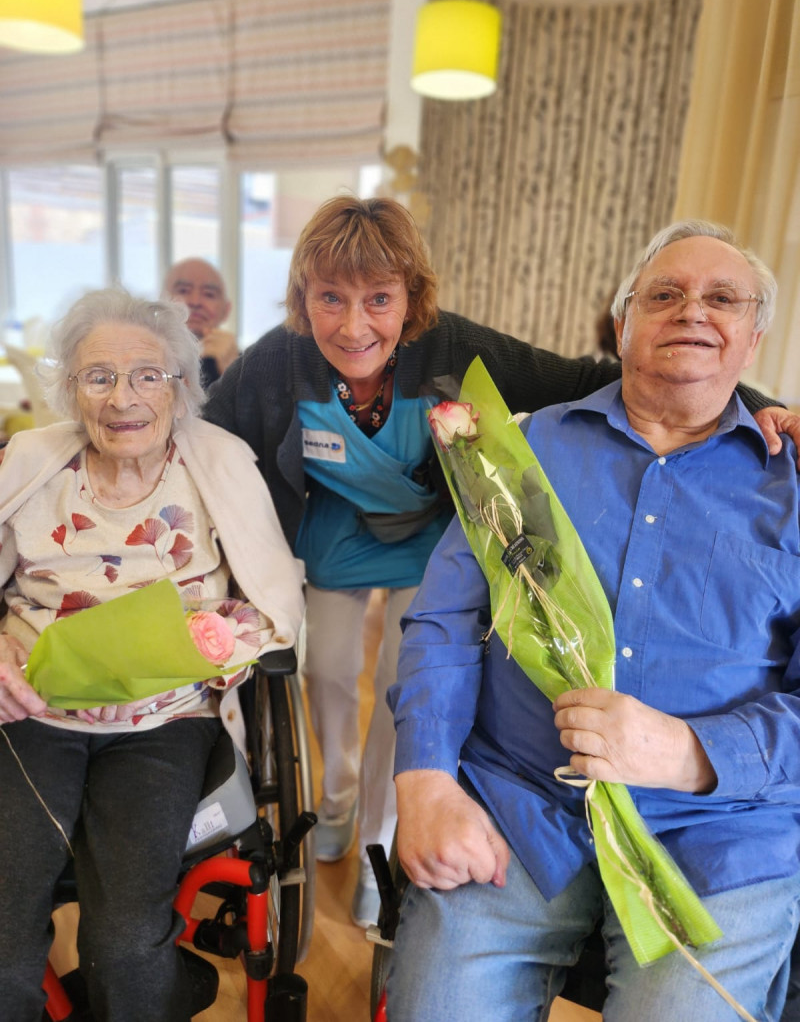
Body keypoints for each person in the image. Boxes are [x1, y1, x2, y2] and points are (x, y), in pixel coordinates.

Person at [202, 195, 792, 929]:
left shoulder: (452, 347)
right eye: (330, 298)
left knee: (398, 678)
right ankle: (337, 799)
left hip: (424, 540)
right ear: (303, 299)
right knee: (325, 673)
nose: (355, 326)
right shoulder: (276, 362)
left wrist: (766, 406)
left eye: (379, 298)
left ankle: (380, 834)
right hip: (334, 539)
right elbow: (203, 432)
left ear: (410, 299)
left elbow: (594, 377)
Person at [387, 220, 800, 1021]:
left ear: (753, 338)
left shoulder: (796, 489)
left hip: (721, 838)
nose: (691, 312)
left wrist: (690, 752)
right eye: (665, 294)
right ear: (622, 326)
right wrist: (426, 779)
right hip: (517, 805)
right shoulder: (519, 448)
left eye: (722, 298)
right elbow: (443, 620)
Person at [0, 289, 304, 1022]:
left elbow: (275, 607)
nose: (123, 397)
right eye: (97, 376)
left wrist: (218, 638)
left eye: (147, 375)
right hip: (31, 712)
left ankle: (160, 985)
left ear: (181, 385)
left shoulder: (220, 464)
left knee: (128, 943)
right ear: (71, 389)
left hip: (162, 724)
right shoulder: (33, 460)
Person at [163, 258, 239, 387]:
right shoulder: (141, 358)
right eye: (183, 291)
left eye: (209, 294)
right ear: (161, 302)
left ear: (226, 310)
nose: (195, 302)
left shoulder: (247, 365)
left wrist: (234, 374)